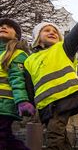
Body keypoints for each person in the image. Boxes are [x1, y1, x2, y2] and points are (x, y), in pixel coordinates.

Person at [24, 7, 78, 149]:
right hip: (46, 104)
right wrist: (31, 105)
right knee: (59, 135)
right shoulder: (29, 60)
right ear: (37, 38)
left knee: (54, 134)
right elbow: (30, 84)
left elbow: (74, 38)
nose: (52, 32)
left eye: (55, 32)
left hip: (65, 98)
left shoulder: (62, 48)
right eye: (46, 30)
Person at [0, 18, 35, 150]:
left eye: (9, 26)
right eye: (1, 25)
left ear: (16, 35)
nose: (3, 27)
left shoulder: (16, 54)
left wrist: (22, 101)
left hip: (5, 104)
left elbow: (17, 79)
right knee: (7, 139)